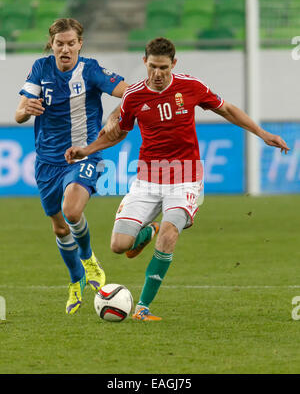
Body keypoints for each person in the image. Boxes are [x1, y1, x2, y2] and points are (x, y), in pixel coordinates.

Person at [65, 37, 290, 321]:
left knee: (171, 232)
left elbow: (227, 109)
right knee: (119, 246)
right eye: (153, 67)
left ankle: (143, 308)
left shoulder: (191, 86)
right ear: (144, 62)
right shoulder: (133, 96)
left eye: (164, 68)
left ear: (174, 64)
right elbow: (118, 132)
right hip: (147, 178)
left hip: (185, 178)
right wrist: (85, 150)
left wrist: (262, 133)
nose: (157, 74)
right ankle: (151, 230)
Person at [15, 18, 129, 315]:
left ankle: (89, 259)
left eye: (70, 43)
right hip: (46, 162)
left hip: (82, 154)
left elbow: (130, 92)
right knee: (59, 227)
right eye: (59, 44)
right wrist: (25, 110)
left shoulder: (91, 70)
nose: (65, 49)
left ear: (80, 44)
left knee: (72, 210)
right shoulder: (40, 68)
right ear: (51, 44)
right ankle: (76, 279)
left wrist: (116, 115)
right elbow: (19, 114)